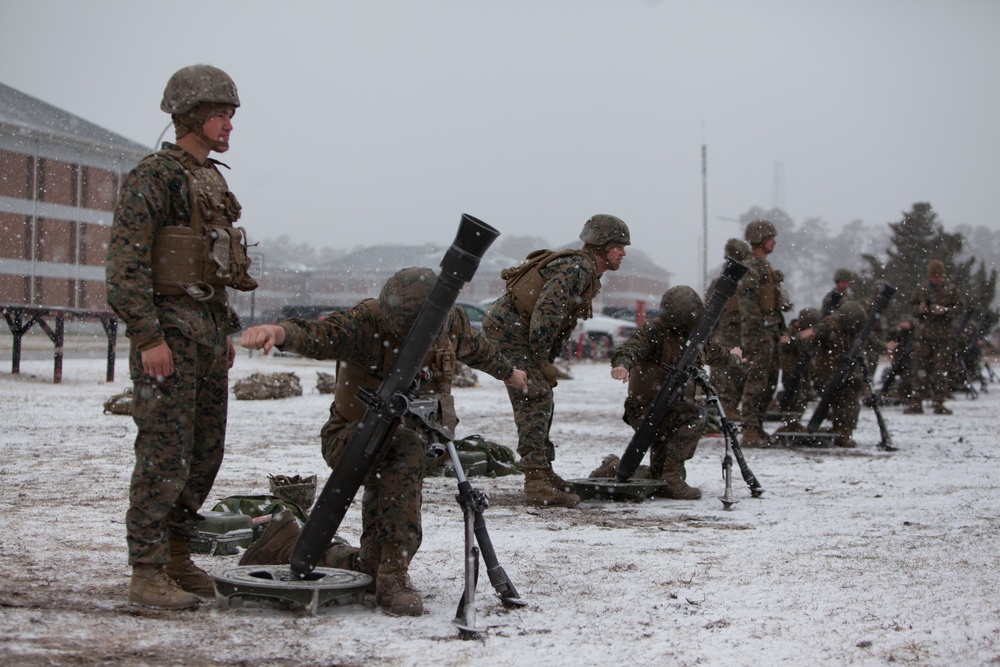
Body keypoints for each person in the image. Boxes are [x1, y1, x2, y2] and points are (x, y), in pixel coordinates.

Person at [239, 267, 527, 616]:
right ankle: (394, 575)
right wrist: (278, 332)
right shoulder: (365, 323)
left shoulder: (448, 321)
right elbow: (320, 333)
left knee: (370, 559)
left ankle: (287, 544)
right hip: (351, 439)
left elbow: (477, 348)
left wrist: (510, 373)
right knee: (403, 448)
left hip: (408, 444)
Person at [106, 65, 258, 609]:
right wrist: (148, 337)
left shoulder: (211, 179)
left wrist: (225, 332)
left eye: (231, 115)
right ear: (192, 115)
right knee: (163, 457)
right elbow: (124, 268)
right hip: (168, 339)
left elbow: (212, 267)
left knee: (203, 455)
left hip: (207, 339)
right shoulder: (156, 177)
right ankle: (146, 570)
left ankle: (174, 555)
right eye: (221, 114)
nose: (229, 125)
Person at [483, 214, 630, 508]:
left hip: (519, 336)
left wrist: (543, 360)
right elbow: (545, 317)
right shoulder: (577, 269)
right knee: (534, 395)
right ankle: (536, 482)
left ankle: (544, 472)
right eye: (618, 246)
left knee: (541, 395)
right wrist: (541, 361)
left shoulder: (584, 270)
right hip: (511, 336)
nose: (623, 253)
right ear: (601, 247)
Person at [610, 286, 742, 498]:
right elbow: (630, 349)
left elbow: (716, 353)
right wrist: (622, 365)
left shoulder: (695, 335)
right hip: (647, 409)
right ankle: (672, 478)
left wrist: (734, 357)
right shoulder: (654, 331)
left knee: (656, 476)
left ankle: (614, 467)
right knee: (695, 416)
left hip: (672, 408)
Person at [736, 219, 792, 447]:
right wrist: (756, 333)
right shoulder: (751, 267)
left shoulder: (765, 267)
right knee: (756, 381)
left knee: (769, 381)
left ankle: (757, 427)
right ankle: (750, 428)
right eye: (771, 238)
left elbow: (774, 305)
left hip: (770, 333)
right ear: (761, 240)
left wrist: (781, 330)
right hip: (758, 335)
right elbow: (748, 303)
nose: (775, 242)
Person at [796, 301, 868, 447]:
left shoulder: (851, 332)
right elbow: (808, 336)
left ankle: (843, 432)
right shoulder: (829, 326)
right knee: (841, 399)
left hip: (843, 375)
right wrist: (806, 336)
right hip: (826, 376)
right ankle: (839, 429)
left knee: (850, 396)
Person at [905, 259, 964, 415]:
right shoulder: (922, 289)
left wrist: (945, 311)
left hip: (943, 336)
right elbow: (911, 307)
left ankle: (939, 403)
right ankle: (917, 401)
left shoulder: (951, 290)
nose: (936, 279)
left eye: (939, 276)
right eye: (933, 276)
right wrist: (921, 308)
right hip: (924, 335)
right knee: (919, 369)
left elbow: (960, 308)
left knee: (941, 371)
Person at [708, 238, 751, 419]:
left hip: (739, 337)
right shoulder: (723, 283)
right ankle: (724, 409)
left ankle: (727, 408)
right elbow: (709, 311)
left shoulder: (746, 283)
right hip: (728, 337)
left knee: (735, 375)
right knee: (725, 376)